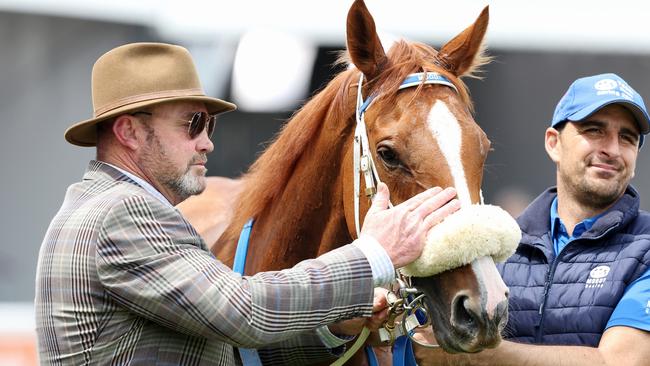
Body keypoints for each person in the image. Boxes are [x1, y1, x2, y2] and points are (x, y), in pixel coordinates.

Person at [34, 42, 461, 365]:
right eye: (193, 123)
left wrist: (333, 327)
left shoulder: (105, 206)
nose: (207, 142)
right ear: (128, 132)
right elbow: (244, 312)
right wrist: (372, 256)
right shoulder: (123, 213)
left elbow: (232, 351)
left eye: (209, 122)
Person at [418, 73, 650, 365]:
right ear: (553, 142)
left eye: (627, 138)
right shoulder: (501, 246)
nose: (612, 149)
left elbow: (620, 362)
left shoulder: (646, 248)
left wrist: (470, 356)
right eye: (594, 131)